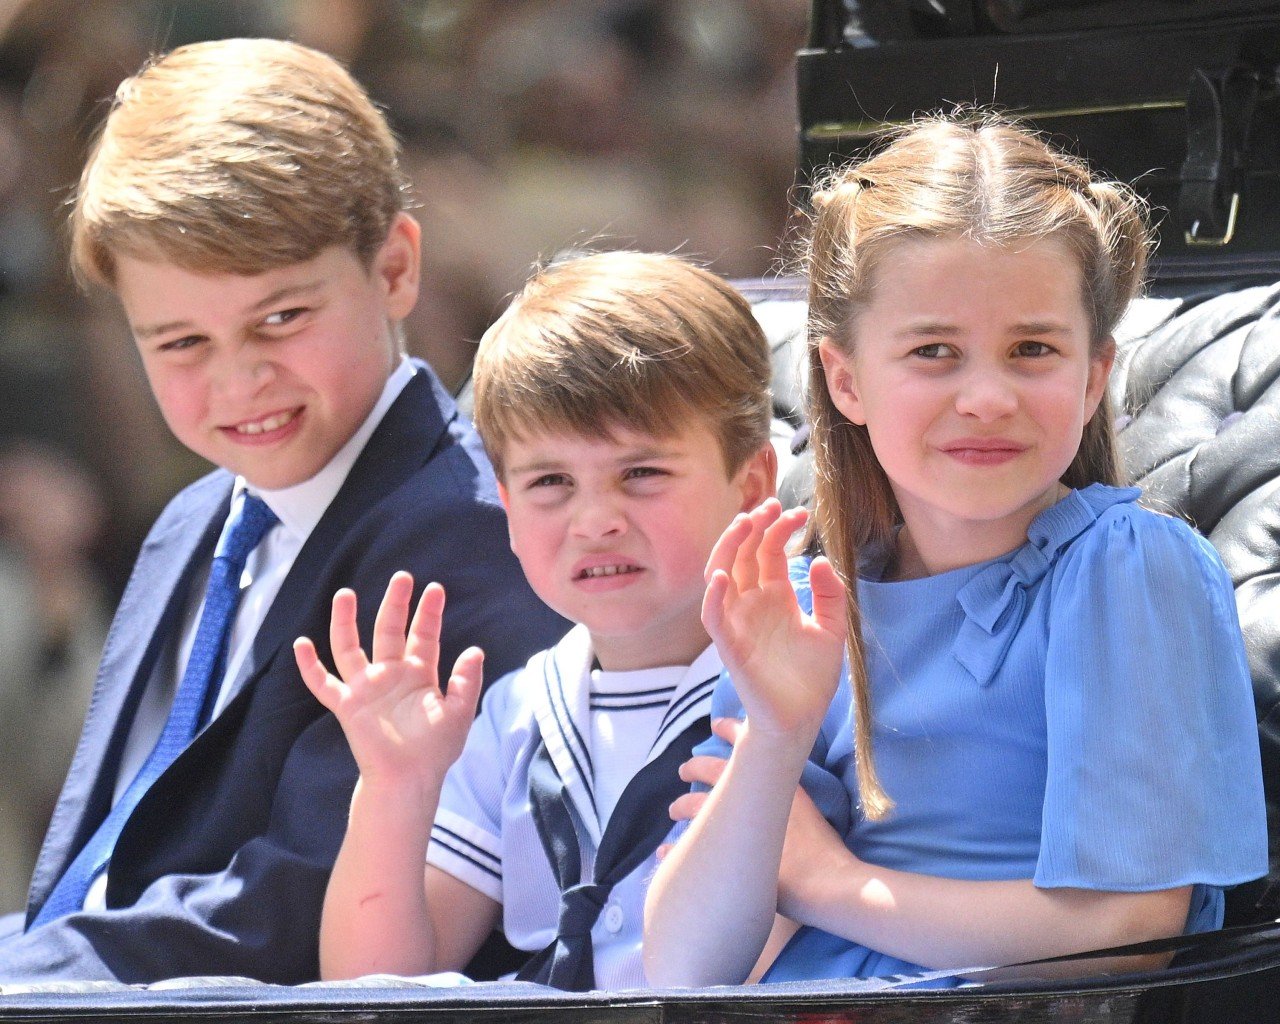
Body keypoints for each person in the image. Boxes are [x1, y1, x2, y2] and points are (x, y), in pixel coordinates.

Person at [643, 114, 1269, 987]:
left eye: (1032, 350)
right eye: (934, 351)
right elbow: (680, 965)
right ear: (847, 379)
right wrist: (776, 738)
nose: (985, 396)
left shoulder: (1124, 570)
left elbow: (1129, 927)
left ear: (1093, 377)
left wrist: (833, 882)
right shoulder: (808, 604)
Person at [0, 37, 566, 985]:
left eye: (282, 319)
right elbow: (113, 869)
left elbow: (287, 910)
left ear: (393, 270)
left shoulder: (472, 538)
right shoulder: (197, 521)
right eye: (180, 341)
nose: (238, 380)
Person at [293, 251, 779, 990]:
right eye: (551, 482)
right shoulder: (513, 715)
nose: (595, 521)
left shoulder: (806, 683)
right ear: (507, 510)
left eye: (641, 473)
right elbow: (373, 985)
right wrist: (396, 787)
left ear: (752, 486)